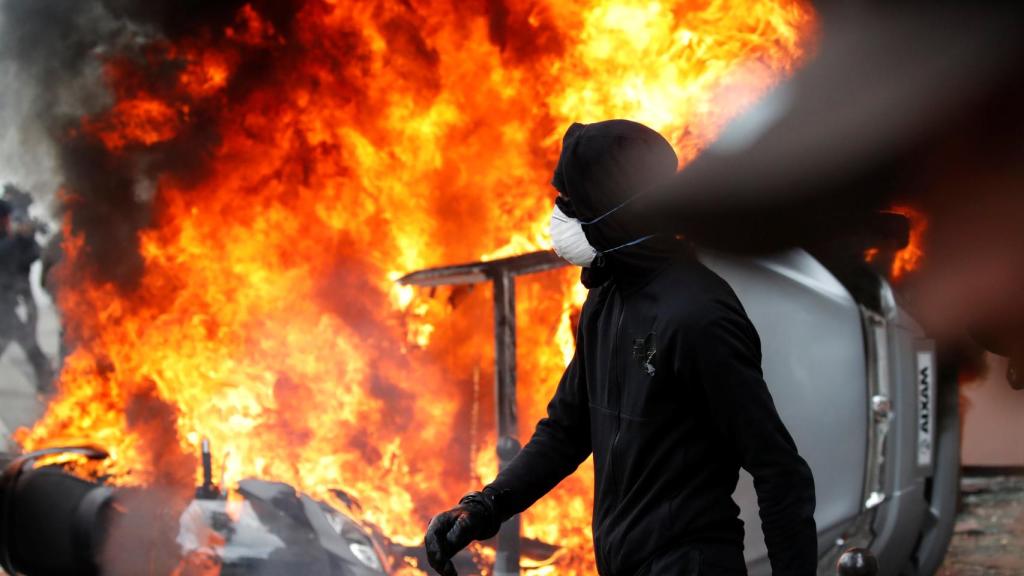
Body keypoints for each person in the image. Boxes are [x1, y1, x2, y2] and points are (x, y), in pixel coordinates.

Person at [423, 120, 817, 576]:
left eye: (571, 204)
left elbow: (779, 469)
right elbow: (567, 430)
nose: (560, 217)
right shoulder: (606, 298)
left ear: (613, 212)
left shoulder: (697, 315)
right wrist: (485, 507)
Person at [0, 199, 53, 392]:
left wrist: (26, 238)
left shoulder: (16, 240)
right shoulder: (10, 241)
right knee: (24, 341)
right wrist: (20, 238)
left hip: (9, 304)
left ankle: (45, 379)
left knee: (25, 341)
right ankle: (45, 377)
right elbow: (5, 254)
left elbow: (33, 256)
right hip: (4, 306)